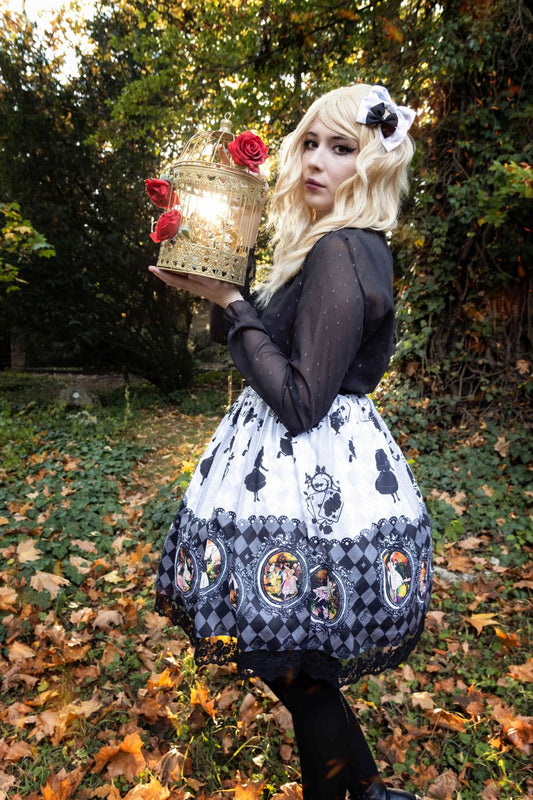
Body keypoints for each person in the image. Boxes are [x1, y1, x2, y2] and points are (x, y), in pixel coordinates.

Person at [150, 83, 432, 800]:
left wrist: (232, 302)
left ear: (373, 163)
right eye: (309, 142)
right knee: (297, 661)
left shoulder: (342, 249)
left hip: (311, 476)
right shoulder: (334, 243)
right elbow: (257, 347)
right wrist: (225, 279)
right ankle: (366, 792)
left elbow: (302, 401)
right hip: (302, 466)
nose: (315, 161)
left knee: (293, 661)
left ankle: (353, 794)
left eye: (341, 148)